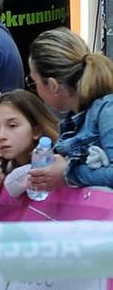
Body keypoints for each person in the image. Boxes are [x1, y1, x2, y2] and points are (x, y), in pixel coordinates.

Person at [25, 27, 113, 193]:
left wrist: (68, 173)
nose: (34, 89)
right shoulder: (75, 118)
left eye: (33, 82)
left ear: (53, 85)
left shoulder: (107, 111)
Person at [0, 90, 58, 195]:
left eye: (12, 126)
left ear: (36, 131)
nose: (1, 136)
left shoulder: (59, 165)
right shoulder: (0, 168)